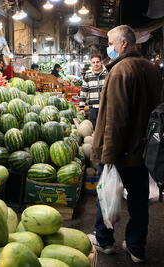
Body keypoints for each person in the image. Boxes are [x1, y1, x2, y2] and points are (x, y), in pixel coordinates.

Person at [90, 25, 162, 263]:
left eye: (110, 43)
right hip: (142, 150)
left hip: (120, 152)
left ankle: (104, 241)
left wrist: (107, 158)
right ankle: (136, 247)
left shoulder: (120, 71)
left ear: (123, 44)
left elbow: (116, 120)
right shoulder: (151, 69)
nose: (108, 48)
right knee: (139, 202)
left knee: (107, 196)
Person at [79, 54, 108, 128]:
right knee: (95, 128)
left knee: (106, 128)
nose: (96, 64)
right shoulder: (88, 75)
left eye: (97, 62)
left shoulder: (107, 73)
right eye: (93, 62)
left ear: (101, 62)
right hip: (93, 108)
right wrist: (81, 107)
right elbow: (83, 91)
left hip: (105, 106)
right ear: (91, 63)